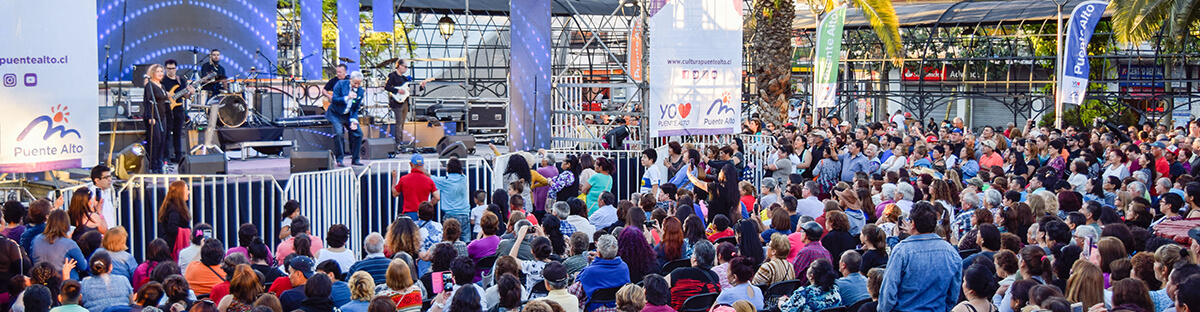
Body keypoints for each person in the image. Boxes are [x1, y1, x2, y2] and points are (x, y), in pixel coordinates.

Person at [878, 202, 963, 312]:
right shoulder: (951, 252)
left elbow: (888, 292)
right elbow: (954, 294)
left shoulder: (902, 251)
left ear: (912, 224)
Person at [383, 60, 432, 147]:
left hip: (405, 102)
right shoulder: (392, 76)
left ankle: (400, 141)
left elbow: (410, 91)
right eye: (405, 67)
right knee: (399, 123)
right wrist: (397, 90)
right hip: (396, 102)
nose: (406, 69)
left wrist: (421, 86)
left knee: (402, 123)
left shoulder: (405, 79)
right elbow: (386, 86)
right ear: (399, 66)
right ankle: (398, 142)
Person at [575, 235, 630, 311]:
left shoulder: (589, 272)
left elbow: (573, 294)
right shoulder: (624, 267)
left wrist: (576, 277)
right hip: (618, 308)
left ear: (599, 253)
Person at [31, 210, 87, 280]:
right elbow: (83, 266)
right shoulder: (69, 244)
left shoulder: (36, 240)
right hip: (65, 283)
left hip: (41, 280)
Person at [326, 71, 366, 166]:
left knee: (358, 134)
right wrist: (347, 97)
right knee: (339, 134)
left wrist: (353, 120)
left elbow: (355, 108)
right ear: (350, 80)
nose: (356, 85)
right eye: (355, 83)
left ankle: (355, 158)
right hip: (336, 113)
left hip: (348, 115)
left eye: (359, 83)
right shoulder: (340, 84)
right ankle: (339, 159)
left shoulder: (360, 91)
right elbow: (334, 99)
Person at [667, 240, 721, 310]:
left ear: (694, 259)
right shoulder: (715, 277)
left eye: (692, 254)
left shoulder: (679, 273)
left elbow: (660, 284)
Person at [159, 60, 193, 162]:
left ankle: (179, 156)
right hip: (166, 109)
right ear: (165, 69)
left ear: (176, 68)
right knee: (167, 134)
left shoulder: (181, 81)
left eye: (173, 68)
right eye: (169, 69)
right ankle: (166, 157)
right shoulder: (162, 80)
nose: (171, 71)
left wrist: (190, 93)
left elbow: (185, 96)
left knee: (178, 134)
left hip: (178, 109)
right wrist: (165, 94)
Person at [392, 154, 439, 219]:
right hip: (424, 213)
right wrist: (429, 205)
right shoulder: (429, 180)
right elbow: (437, 197)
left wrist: (394, 178)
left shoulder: (404, 179)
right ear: (423, 164)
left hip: (409, 214)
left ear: (411, 164)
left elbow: (395, 193)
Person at [142, 63, 169, 173]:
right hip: (153, 116)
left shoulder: (162, 86)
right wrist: (150, 116)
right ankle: (153, 165)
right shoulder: (149, 85)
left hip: (163, 115)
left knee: (162, 140)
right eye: (157, 71)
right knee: (155, 141)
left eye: (161, 71)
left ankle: (160, 163)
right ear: (152, 73)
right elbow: (147, 102)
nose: (160, 73)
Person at [434, 157, 472, 236]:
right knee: (466, 243)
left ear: (447, 169)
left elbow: (431, 178)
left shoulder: (444, 181)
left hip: (450, 215)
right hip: (464, 214)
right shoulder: (464, 179)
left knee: (449, 241)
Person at [157, 180, 192, 255]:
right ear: (180, 192)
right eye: (187, 190)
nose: (188, 192)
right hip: (174, 248)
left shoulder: (174, 207)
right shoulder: (174, 209)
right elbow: (172, 228)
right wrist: (187, 232)